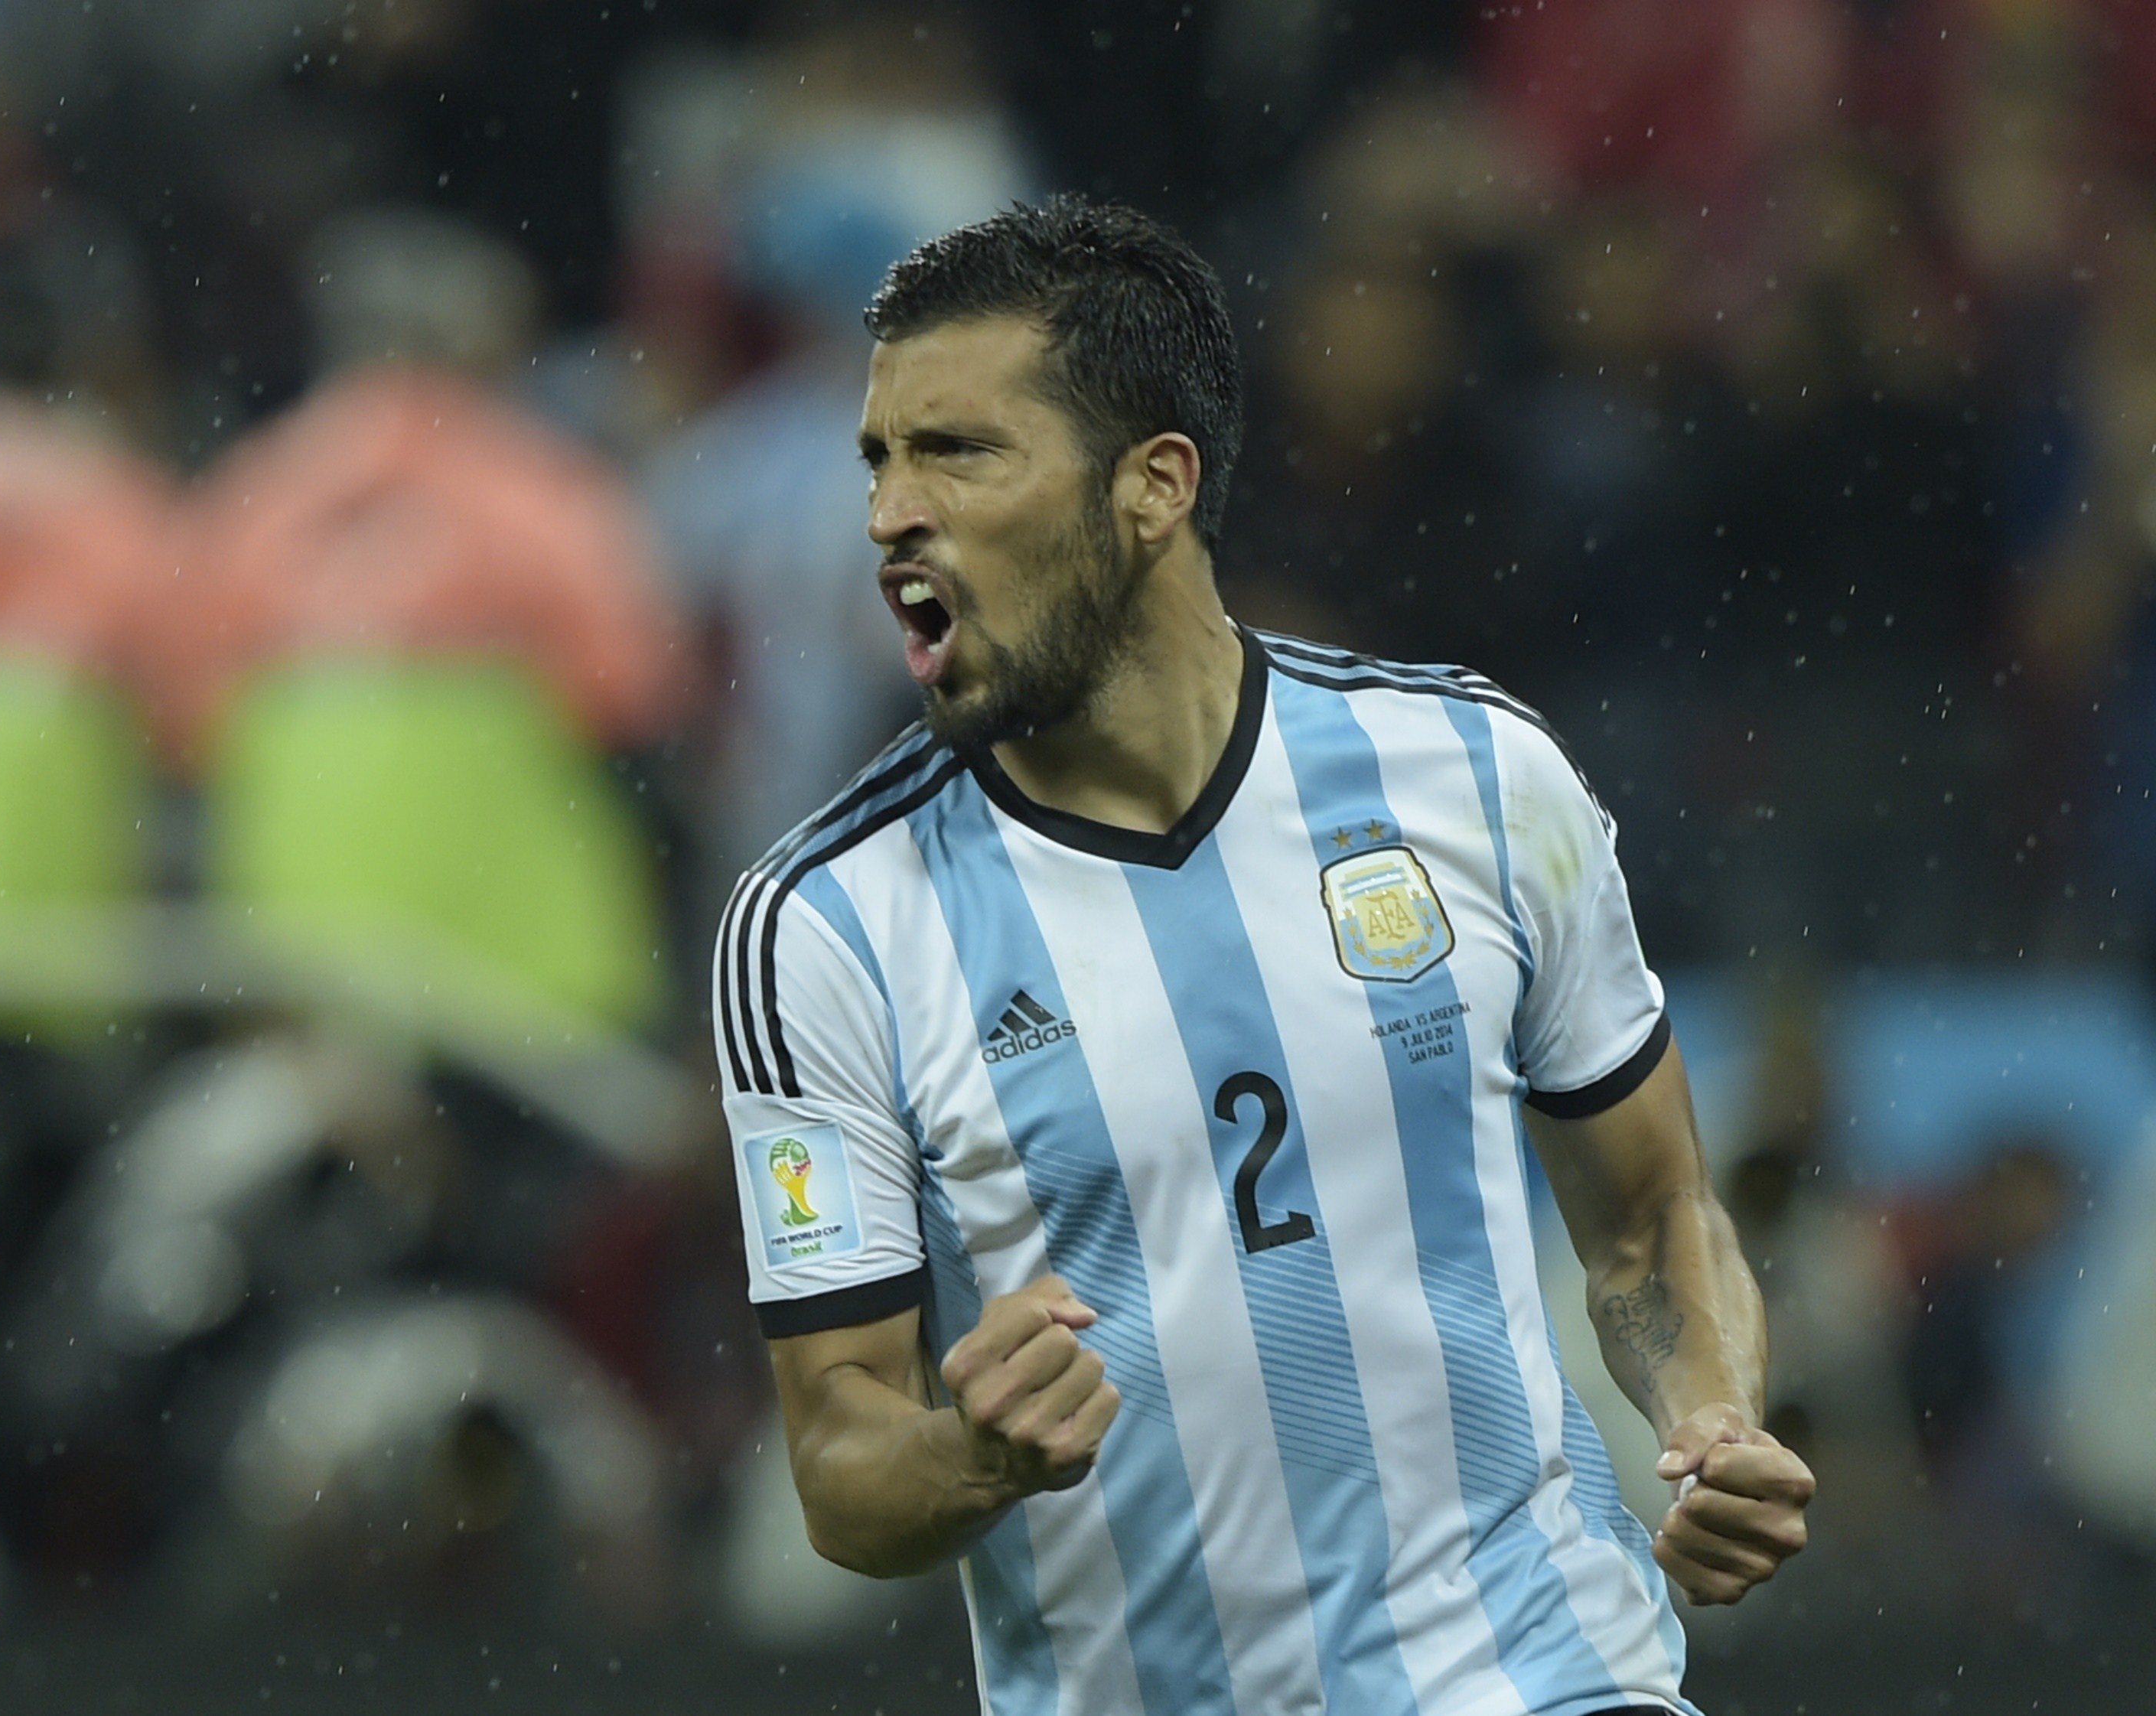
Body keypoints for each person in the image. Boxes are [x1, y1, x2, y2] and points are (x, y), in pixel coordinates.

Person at [708, 198, 1812, 1716]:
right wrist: (978, 1455)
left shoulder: (1477, 777)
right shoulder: (821, 923)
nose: (894, 509)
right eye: (879, 458)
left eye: (959, 451)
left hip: (1547, 1679)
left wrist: (1715, 1419)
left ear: (1155, 485)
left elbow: (1648, 1217)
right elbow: (840, 1460)